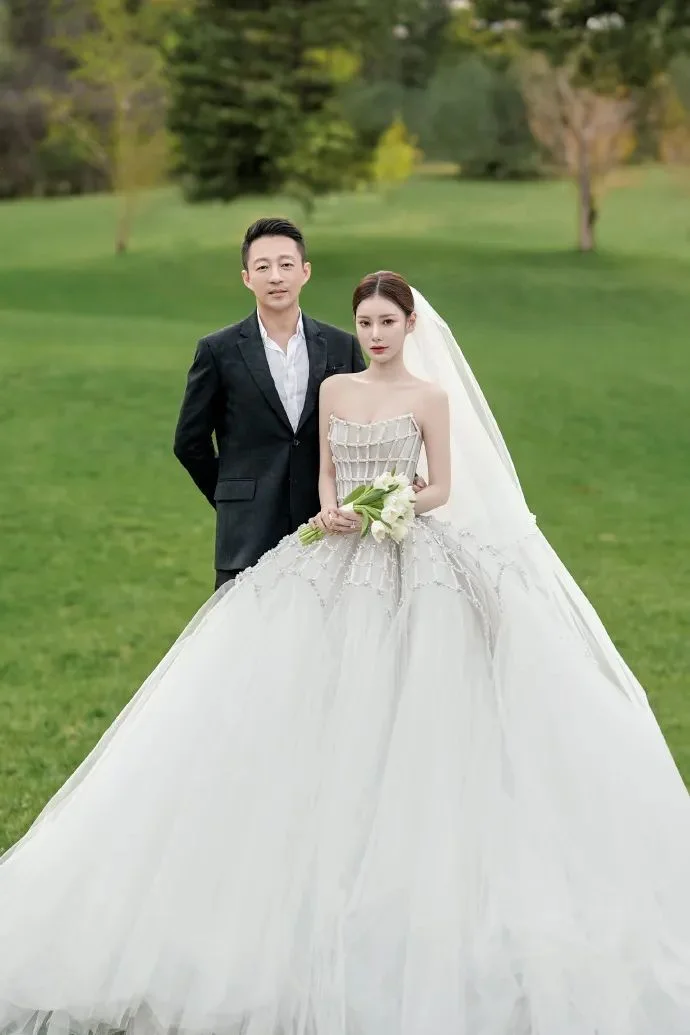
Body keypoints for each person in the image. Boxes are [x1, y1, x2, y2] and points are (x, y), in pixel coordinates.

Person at [1, 272, 689, 1035]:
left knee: (412, 695)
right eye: (366, 322)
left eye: (388, 321)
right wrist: (336, 509)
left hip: (410, 548)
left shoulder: (430, 396)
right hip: (334, 552)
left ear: (409, 325)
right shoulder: (336, 389)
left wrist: (394, 501)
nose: (376, 334)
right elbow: (327, 474)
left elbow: (441, 486)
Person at [173, 217, 367, 590]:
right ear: (247, 278)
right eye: (263, 267)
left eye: (286, 264)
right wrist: (232, 497)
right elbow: (189, 442)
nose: (275, 276)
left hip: (327, 530)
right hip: (246, 538)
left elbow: (364, 428)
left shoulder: (341, 346)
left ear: (305, 272)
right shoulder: (217, 351)